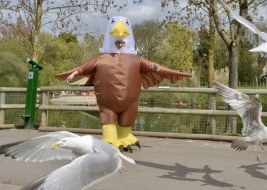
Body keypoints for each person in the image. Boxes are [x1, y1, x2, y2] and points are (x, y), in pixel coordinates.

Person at [56, 16, 191, 152]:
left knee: (129, 116)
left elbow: (153, 66)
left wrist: (170, 72)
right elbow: (84, 67)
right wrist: (74, 73)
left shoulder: (136, 60)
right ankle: (110, 139)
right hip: (107, 102)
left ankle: (124, 137)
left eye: (122, 42)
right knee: (108, 115)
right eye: (117, 42)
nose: (120, 44)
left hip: (130, 101)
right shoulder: (101, 59)